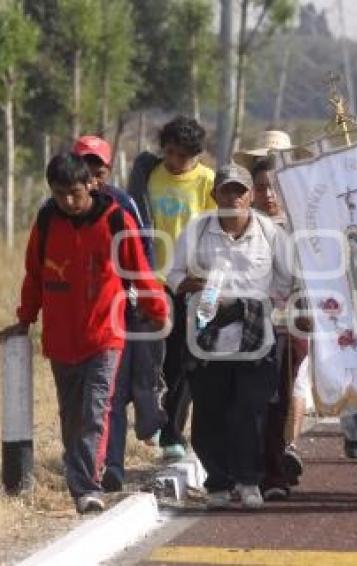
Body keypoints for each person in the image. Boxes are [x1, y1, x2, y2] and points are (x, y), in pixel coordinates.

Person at [0, 153, 169, 514]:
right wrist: (25, 319)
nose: (68, 201)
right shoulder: (47, 221)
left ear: (91, 184)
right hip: (61, 339)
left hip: (105, 334)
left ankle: (86, 486)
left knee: (96, 409)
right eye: (60, 194)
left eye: (74, 192)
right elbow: (35, 276)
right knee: (72, 414)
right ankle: (83, 473)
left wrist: (157, 311)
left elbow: (138, 269)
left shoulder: (116, 219)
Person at [165, 164, 292, 510]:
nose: (233, 198)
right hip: (207, 335)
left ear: (250, 196)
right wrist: (196, 285)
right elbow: (173, 274)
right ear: (214, 194)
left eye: (240, 191)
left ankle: (249, 481)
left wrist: (264, 303)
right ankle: (218, 483)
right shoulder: (196, 230)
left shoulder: (270, 233)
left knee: (250, 410)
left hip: (256, 336)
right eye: (226, 191)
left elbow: (287, 278)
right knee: (209, 411)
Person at [70, 135, 166, 492]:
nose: (92, 176)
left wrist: (146, 301)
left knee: (111, 390)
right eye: (85, 167)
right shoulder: (57, 209)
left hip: (118, 311)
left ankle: (111, 464)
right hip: (75, 317)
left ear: (108, 170)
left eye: (98, 168)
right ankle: (86, 460)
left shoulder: (121, 204)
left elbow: (143, 253)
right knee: (83, 397)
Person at [128, 116, 216, 461]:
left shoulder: (207, 182)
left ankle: (172, 434)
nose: (175, 161)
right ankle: (152, 417)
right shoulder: (148, 174)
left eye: (183, 156)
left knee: (183, 359)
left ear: (196, 156)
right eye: (170, 152)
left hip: (191, 283)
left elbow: (214, 231)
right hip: (155, 280)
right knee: (153, 357)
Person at [235, 141, 308, 500]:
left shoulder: (303, 228)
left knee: (278, 402)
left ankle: (274, 475)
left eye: (275, 186)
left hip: (286, 329)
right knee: (248, 403)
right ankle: (246, 473)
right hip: (244, 329)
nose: (269, 194)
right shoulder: (240, 226)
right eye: (261, 187)